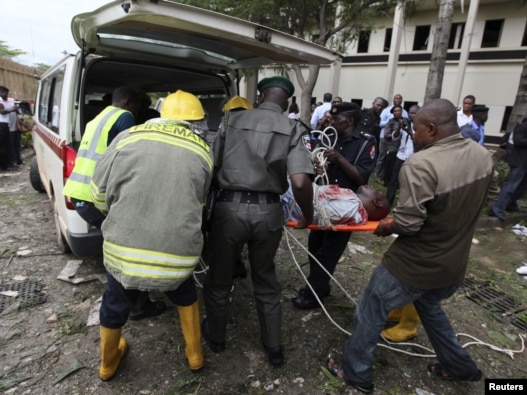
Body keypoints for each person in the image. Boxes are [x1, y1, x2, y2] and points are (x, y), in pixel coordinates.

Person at [326, 99, 492, 394]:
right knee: (430, 307)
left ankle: (355, 373)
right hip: (453, 265)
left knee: (370, 309)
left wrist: (386, 225)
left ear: (431, 128)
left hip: (414, 265)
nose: (412, 135)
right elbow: (483, 198)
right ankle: (461, 367)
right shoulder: (482, 156)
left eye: (415, 129)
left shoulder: (421, 164)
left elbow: (409, 224)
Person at [90, 90, 213, 380]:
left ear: (161, 115)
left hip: (124, 253)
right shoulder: (203, 151)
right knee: (184, 293)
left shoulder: (128, 138)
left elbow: (98, 195)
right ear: (196, 122)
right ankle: (195, 355)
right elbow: (200, 204)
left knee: (115, 300)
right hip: (178, 256)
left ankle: (108, 364)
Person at [202, 76, 314, 367]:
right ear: (287, 102)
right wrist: (308, 215)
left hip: (228, 210)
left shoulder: (230, 121)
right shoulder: (295, 128)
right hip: (268, 212)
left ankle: (216, 339)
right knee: (265, 278)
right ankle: (274, 349)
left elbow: (210, 168)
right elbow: (300, 182)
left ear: (261, 96)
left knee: (219, 278)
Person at [63, 86, 165, 321]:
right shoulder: (124, 116)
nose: (141, 110)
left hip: (79, 191)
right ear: (129, 102)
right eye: (139, 105)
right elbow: (135, 152)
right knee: (128, 246)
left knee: (120, 245)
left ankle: (129, 302)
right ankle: (136, 305)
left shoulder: (99, 117)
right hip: (92, 195)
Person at [292, 102, 377, 310]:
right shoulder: (328, 138)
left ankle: (313, 295)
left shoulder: (366, 143)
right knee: (315, 245)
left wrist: (339, 159)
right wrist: (318, 167)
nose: (330, 122)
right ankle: (320, 286)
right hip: (323, 200)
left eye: (335, 119)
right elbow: (314, 166)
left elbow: (361, 177)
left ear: (348, 121)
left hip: (345, 207)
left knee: (329, 252)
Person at [282, 183, 390, 227]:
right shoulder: (353, 204)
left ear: (377, 202)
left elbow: (317, 215)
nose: (371, 186)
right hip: (291, 193)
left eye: (375, 190)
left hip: (287, 199)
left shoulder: (352, 208)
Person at [490, 118, 527, 221]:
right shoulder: (521, 127)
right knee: (511, 186)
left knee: (521, 188)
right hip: (520, 162)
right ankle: (497, 208)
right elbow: (518, 140)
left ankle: (510, 205)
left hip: (525, 164)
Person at [385, 104, 419, 206]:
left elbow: (417, 140)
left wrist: (409, 130)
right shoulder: (404, 122)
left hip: (414, 157)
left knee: (411, 182)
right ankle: (388, 203)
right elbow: (394, 137)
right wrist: (400, 127)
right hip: (401, 155)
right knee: (393, 180)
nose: (412, 115)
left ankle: (409, 204)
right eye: (410, 113)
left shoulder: (421, 126)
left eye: (414, 113)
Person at [375, 94, 408, 182]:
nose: (398, 100)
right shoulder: (386, 111)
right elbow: (380, 123)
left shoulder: (405, 113)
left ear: (402, 100)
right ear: (393, 100)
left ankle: (387, 177)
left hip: (399, 141)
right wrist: (391, 121)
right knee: (382, 157)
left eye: (400, 98)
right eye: (396, 98)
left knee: (391, 159)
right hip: (384, 138)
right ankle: (377, 175)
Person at [381, 104, 410, 187]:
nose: (397, 112)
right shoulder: (390, 122)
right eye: (395, 111)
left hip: (404, 148)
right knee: (390, 166)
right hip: (392, 147)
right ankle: (387, 182)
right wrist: (396, 133)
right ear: (393, 113)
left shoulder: (407, 121)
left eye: (399, 110)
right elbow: (387, 135)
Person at [0, 86, 18, 171]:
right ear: (1, 92)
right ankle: (5, 166)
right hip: (2, 125)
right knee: (4, 146)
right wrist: (12, 109)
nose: (7, 95)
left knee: (5, 145)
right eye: (5, 93)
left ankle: (5, 164)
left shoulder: (5, 100)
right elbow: (2, 112)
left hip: (4, 125)